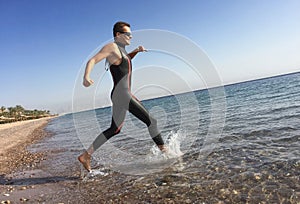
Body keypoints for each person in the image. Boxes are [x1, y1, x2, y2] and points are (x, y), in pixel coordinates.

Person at [78, 21, 167, 172]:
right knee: (152, 121)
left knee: (115, 129)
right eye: (128, 34)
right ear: (118, 35)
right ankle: (166, 153)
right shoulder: (111, 47)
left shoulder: (121, 51)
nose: (130, 37)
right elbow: (92, 60)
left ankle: (86, 156)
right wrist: (86, 77)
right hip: (122, 94)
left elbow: (124, 62)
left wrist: (136, 51)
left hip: (119, 95)